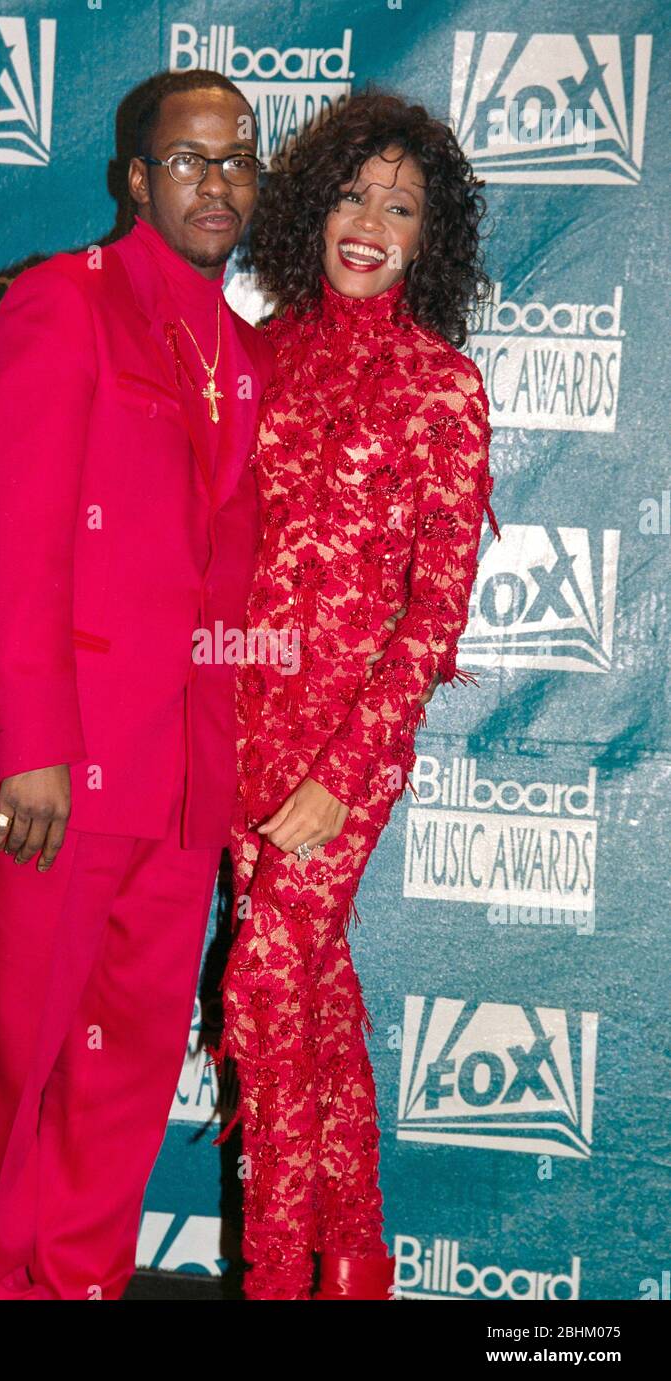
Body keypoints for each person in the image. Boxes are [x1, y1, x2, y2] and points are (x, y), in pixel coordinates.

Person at [0, 69, 275, 1300]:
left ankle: (78, 1286)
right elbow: (17, 540)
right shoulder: (60, 304)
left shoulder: (243, 354)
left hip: (180, 782)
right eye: (188, 160)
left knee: (124, 1072)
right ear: (135, 177)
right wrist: (28, 742)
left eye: (238, 158)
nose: (217, 180)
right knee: (15, 1063)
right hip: (56, 772)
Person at [209, 90, 500, 1300]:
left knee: (266, 975)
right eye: (351, 193)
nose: (371, 221)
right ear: (312, 207)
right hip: (235, 732)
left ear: (430, 238)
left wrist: (342, 772)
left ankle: (280, 1278)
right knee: (315, 1001)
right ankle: (355, 1272)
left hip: (350, 752)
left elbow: (434, 615)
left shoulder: (446, 389)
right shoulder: (255, 360)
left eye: (401, 204)